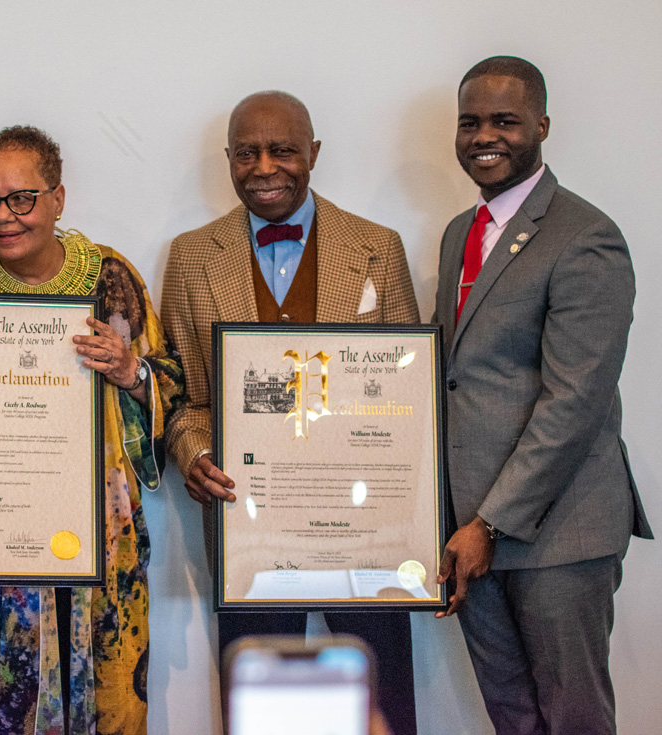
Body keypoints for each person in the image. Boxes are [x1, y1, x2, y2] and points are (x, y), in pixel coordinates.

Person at [161, 91, 420, 734]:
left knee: (383, 708)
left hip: (368, 533)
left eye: (284, 150)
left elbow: (409, 404)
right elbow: (182, 394)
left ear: (314, 154)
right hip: (249, 529)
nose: (265, 167)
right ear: (228, 158)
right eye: (247, 153)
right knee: (259, 711)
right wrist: (193, 452)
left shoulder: (378, 248)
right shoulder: (193, 255)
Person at [0, 126, 184, 735]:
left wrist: (130, 370)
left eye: (22, 198)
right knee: (6, 703)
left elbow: (170, 384)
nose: (3, 216)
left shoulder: (111, 280)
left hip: (99, 538)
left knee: (109, 697)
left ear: (58, 199)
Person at [433, 56, 653, 735]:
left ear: (542, 125)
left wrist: (488, 525)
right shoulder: (456, 235)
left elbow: (574, 404)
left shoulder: (586, 236)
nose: (483, 136)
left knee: (573, 718)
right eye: (470, 122)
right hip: (470, 532)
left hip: (557, 533)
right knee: (514, 718)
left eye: (504, 120)